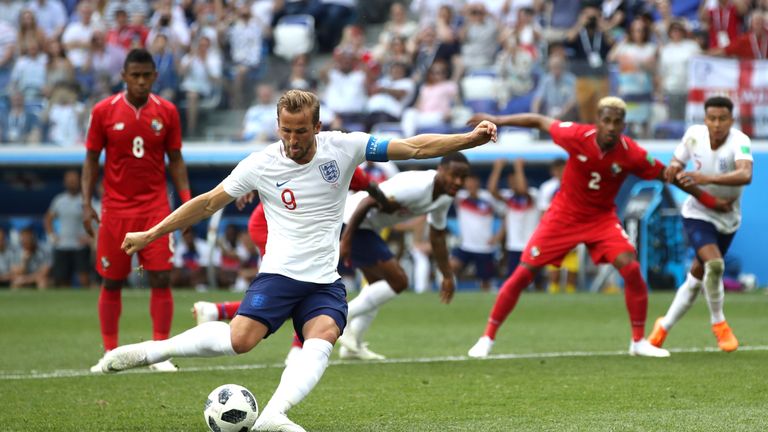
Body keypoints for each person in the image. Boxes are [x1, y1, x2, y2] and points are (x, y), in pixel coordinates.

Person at [100, 89, 497, 432]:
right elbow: (207, 203)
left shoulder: (344, 147)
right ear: (278, 126)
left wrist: (469, 139)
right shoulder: (261, 163)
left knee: (322, 335)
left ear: (318, 126)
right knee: (239, 341)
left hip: (324, 280)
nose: (292, 140)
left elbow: (413, 147)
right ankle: (156, 350)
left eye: (301, 131)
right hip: (278, 275)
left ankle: (274, 413)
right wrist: (152, 233)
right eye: (286, 130)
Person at [464, 96, 732, 359]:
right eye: (607, 121)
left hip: (601, 219)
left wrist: (708, 199)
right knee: (524, 273)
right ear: (598, 121)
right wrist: (497, 119)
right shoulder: (577, 135)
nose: (612, 127)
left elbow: (669, 176)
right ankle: (486, 338)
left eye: (617, 122)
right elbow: (539, 120)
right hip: (564, 216)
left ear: (623, 125)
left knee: (631, 267)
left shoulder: (632, 154)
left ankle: (638, 342)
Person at [82, 48, 191, 373]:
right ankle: (110, 352)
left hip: (155, 208)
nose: (141, 81)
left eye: (147, 75)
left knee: (160, 277)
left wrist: (186, 202)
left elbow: (176, 160)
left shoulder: (168, 111)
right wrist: (86, 203)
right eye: (136, 75)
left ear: (155, 77)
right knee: (112, 281)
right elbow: (90, 160)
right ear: (124, 77)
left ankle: (159, 353)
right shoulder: (103, 111)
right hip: (114, 210)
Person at [338, 153, 471, 360]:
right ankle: (341, 319)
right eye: (454, 175)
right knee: (399, 281)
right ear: (441, 170)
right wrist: (346, 239)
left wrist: (446, 275)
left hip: (367, 228)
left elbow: (437, 237)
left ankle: (351, 347)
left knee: (377, 285)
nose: (458, 182)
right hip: (349, 222)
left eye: (463, 177)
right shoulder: (416, 185)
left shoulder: (445, 196)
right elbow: (368, 201)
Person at [648, 96, 752, 353]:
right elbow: (675, 162)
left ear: (731, 120)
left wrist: (705, 177)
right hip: (697, 213)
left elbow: (745, 174)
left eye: (722, 119)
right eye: (712, 118)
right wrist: (674, 168)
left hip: (728, 217)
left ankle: (664, 325)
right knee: (715, 265)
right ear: (705, 119)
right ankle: (719, 324)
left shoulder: (740, 141)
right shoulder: (694, 135)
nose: (717, 124)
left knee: (697, 275)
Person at [451, 172, 503, 292]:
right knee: (451, 266)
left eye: (473, 181)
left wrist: (498, 236)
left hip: (485, 247)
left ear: (478, 183)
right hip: (465, 246)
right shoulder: (460, 197)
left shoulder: (488, 198)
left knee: (485, 284)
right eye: (468, 181)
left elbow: (506, 215)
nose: (470, 184)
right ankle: (450, 289)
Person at [488, 159, 539, 280]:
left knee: (536, 280)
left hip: (531, 246)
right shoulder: (508, 197)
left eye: (515, 180)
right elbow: (492, 190)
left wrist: (519, 167)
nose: (512, 183)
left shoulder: (533, 194)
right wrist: (497, 168)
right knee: (513, 279)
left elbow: (522, 189)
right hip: (513, 246)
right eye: (510, 181)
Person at [44, 170, 92, 287]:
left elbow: (95, 220)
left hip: (80, 247)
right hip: (63, 245)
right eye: (69, 180)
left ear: (79, 182)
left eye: (74, 180)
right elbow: (48, 218)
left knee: (84, 279)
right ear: (65, 182)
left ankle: (86, 302)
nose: (71, 183)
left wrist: (89, 237)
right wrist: (51, 236)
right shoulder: (59, 200)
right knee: (62, 280)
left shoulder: (86, 200)